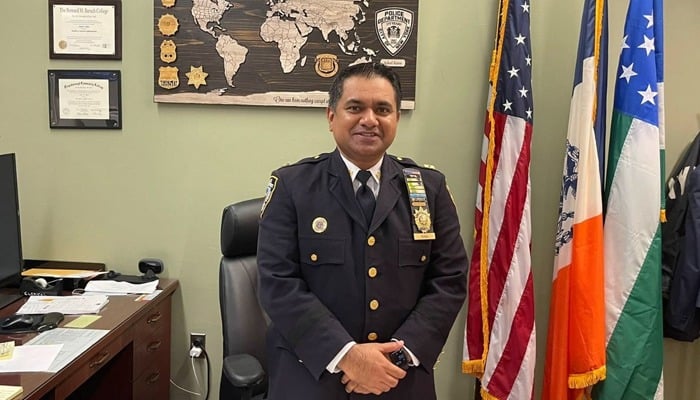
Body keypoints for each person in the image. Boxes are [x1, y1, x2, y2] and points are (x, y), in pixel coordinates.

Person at [257, 62, 468, 399]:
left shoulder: (429, 189)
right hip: (313, 375)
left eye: (382, 109)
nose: (369, 119)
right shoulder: (293, 186)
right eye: (355, 107)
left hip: (399, 376)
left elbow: (450, 281)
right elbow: (277, 283)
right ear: (331, 116)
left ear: (396, 118)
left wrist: (395, 359)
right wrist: (348, 357)